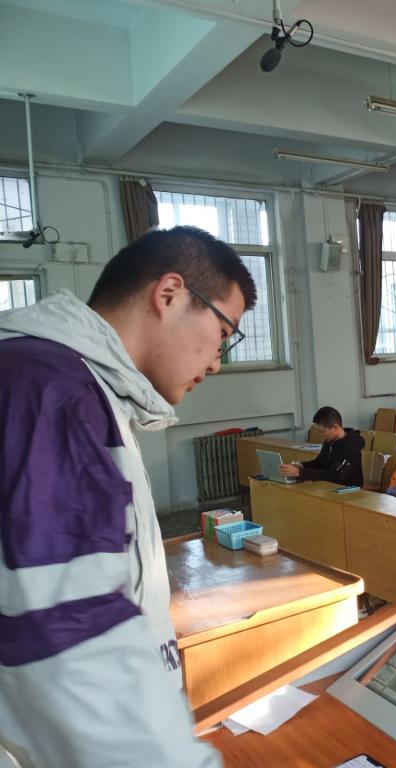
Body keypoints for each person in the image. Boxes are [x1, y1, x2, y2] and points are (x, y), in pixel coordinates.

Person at [0, 225, 256, 767]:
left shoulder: (83, 387)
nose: (217, 362)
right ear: (170, 294)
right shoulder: (50, 388)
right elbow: (67, 633)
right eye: (223, 332)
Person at [279, 406, 364, 486]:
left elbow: (336, 475)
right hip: (330, 486)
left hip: (348, 489)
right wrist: (301, 465)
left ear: (335, 427)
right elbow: (319, 462)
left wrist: (300, 472)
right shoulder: (330, 441)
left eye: (322, 431)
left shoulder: (351, 445)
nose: (320, 435)